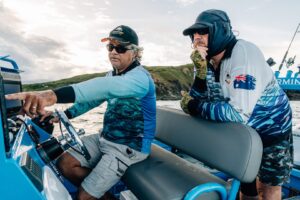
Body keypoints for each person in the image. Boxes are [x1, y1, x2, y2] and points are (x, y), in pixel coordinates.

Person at [6, 25, 156, 200]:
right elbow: (92, 100)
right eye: (110, 47)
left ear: (135, 53)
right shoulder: (112, 75)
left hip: (129, 147)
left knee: (84, 197)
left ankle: (90, 193)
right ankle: (100, 193)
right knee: (65, 163)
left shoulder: (140, 79)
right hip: (105, 138)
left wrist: (52, 95)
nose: (114, 52)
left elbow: (103, 88)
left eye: (120, 48)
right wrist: (62, 116)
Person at [180, 9, 293, 200]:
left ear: (220, 31)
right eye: (194, 34)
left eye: (203, 32)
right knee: (247, 186)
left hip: (272, 132)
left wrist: (194, 107)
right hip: (243, 135)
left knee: (268, 187)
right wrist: (200, 74)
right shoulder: (204, 61)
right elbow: (196, 99)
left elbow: (237, 113)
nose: (197, 37)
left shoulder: (244, 53)